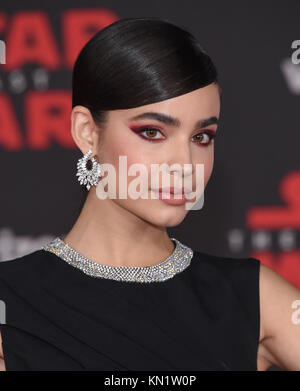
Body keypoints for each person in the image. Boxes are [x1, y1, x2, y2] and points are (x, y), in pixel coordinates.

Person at [0, 16, 300, 371]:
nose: (185, 164)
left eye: (202, 137)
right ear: (87, 132)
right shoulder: (12, 304)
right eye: (153, 132)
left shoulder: (252, 297)